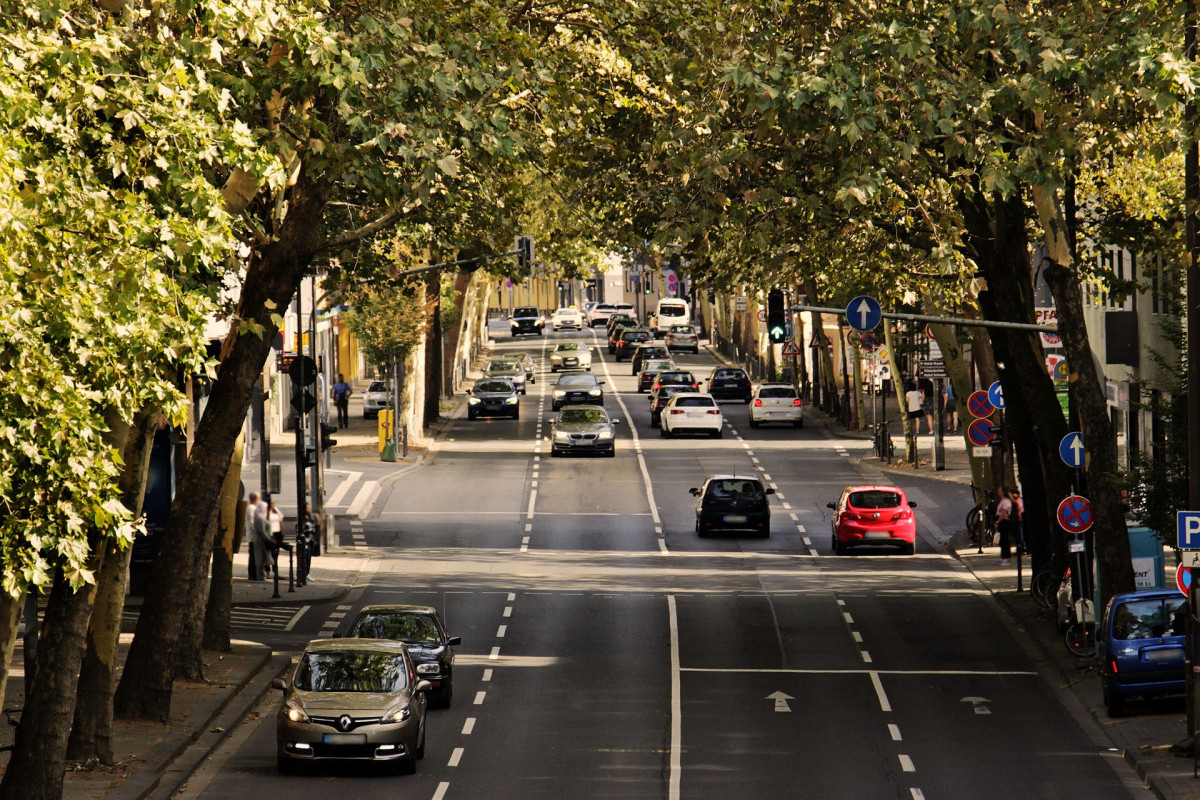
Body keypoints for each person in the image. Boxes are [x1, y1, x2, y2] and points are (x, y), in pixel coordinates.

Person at [298, 504, 320, 586]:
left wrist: (318, 521)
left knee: (309, 558)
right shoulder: (302, 519)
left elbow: (315, 529)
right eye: (308, 507)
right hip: (305, 541)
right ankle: (302, 574)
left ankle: (307, 573)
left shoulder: (310, 518)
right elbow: (301, 529)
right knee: (305, 557)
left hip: (311, 541)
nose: (310, 509)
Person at [993, 486, 1014, 564]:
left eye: (1000, 491)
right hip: (1003, 521)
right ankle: (1004, 557)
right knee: (1003, 539)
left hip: (1004, 521)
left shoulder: (1006, 501)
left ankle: (1005, 557)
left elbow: (1004, 513)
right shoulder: (1003, 501)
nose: (998, 492)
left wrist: (998, 521)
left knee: (1004, 540)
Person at [244, 492, 261, 580]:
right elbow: (253, 522)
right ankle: (253, 575)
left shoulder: (254, 508)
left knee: (255, 555)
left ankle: (255, 574)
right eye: (258, 498)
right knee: (254, 556)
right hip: (254, 537)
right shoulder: (251, 508)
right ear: (254, 499)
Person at [1009, 487, 1025, 553]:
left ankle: (1021, 547)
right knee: (1016, 533)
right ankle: (1020, 546)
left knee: (1019, 534)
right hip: (1015, 519)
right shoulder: (1016, 500)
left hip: (1018, 519)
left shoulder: (1017, 501)